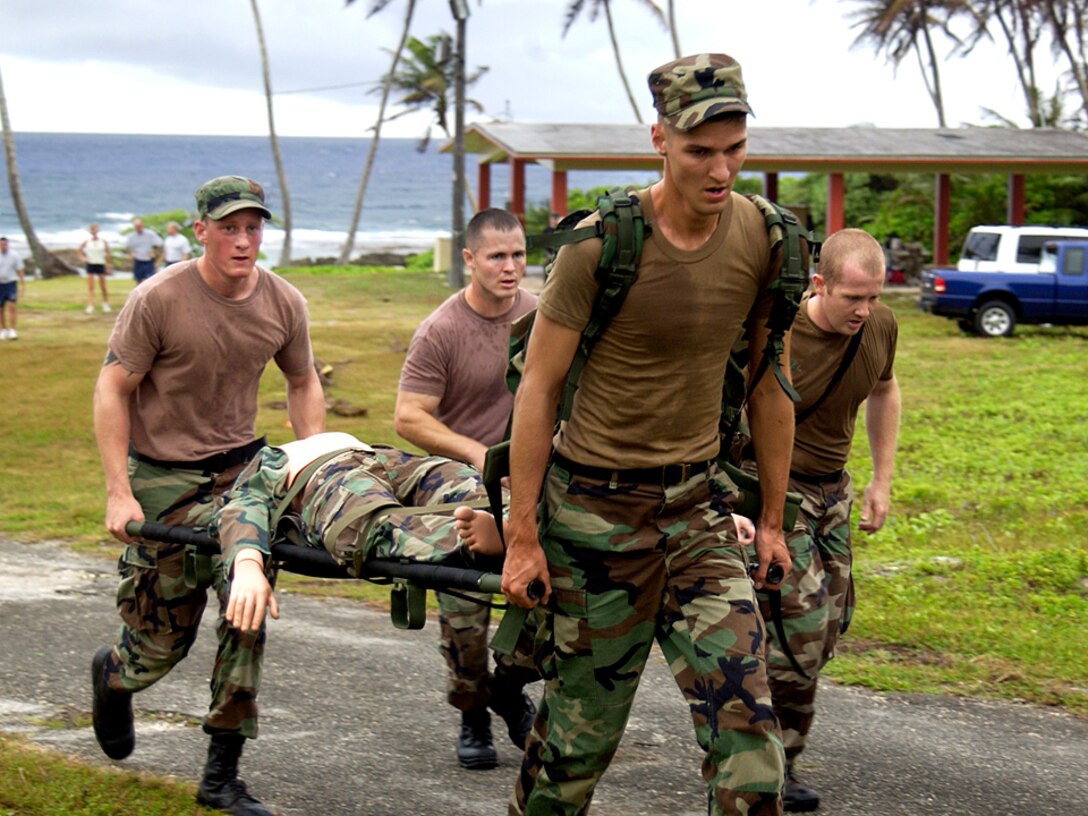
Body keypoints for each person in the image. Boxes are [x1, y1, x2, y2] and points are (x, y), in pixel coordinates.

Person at [501, 53, 797, 816]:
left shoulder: (767, 239)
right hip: (595, 516)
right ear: (659, 139)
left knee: (750, 739)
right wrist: (524, 534)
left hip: (696, 511)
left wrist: (771, 520)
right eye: (701, 151)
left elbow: (769, 384)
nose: (721, 168)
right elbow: (538, 390)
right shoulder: (599, 244)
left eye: (735, 149)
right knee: (575, 748)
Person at [90, 175, 326, 816]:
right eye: (229, 228)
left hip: (242, 475)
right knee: (159, 648)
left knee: (247, 605)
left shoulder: (283, 302)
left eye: (253, 228)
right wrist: (120, 493)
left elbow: (302, 382)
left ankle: (221, 775)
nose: (244, 241)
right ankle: (115, 676)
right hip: (164, 478)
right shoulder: (158, 299)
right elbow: (113, 388)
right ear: (201, 231)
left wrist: (314, 469)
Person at [752, 228, 900, 813]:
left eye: (875, 297)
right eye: (852, 298)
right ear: (819, 285)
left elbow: (885, 390)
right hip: (776, 492)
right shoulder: (778, 333)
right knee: (803, 626)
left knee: (829, 625)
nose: (864, 310)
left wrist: (880, 479)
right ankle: (768, 763)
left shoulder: (881, 327)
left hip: (832, 491)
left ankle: (774, 750)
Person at [394, 207, 539, 771]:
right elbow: (409, 417)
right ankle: (473, 711)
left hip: (531, 478)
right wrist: (478, 454)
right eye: (497, 256)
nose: (510, 267)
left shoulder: (540, 316)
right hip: (459, 483)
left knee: (560, 590)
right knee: (466, 602)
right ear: (470, 259)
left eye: (519, 255)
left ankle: (508, 687)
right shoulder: (442, 329)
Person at [215, 431, 504, 635]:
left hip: (338, 470)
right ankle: (506, 520)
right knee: (460, 482)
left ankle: (487, 530)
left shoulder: (260, 467)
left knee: (371, 525)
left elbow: (240, 510)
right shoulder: (266, 468)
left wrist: (246, 567)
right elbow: (242, 512)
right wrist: (248, 567)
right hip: (381, 461)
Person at [78, 223, 112, 314]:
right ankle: (90, 305)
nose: (94, 232)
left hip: (100, 264)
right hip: (90, 264)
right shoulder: (87, 241)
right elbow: (78, 250)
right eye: (92, 230)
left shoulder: (103, 241)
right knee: (90, 286)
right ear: (90, 231)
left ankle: (105, 303)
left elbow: (108, 253)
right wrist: (83, 258)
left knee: (103, 286)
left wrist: (108, 266)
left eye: (96, 230)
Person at [0, 236, 25, 341]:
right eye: (1, 244)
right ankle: (3, 330)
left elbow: (20, 269)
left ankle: (12, 330)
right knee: (1, 309)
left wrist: (22, 284)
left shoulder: (14, 255)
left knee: (12, 306)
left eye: (5, 244)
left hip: (11, 283)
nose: (3, 246)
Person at [125, 217, 163, 284]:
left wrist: (155, 253)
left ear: (142, 225)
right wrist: (131, 254)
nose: (138, 228)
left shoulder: (150, 234)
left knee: (151, 280)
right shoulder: (131, 237)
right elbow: (126, 248)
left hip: (148, 261)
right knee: (138, 280)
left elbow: (159, 244)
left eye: (139, 226)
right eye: (136, 226)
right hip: (138, 260)